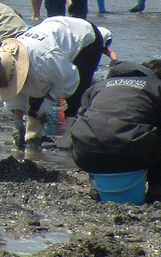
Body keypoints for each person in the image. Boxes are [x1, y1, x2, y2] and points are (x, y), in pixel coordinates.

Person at [0, 16, 114, 147]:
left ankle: (70, 134)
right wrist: (17, 124)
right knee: (35, 85)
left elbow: (71, 79)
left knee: (76, 91)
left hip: (84, 37)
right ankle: (33, 133)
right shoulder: (5, 59)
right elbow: (14, 91)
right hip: (52, 30)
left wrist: (50, 100)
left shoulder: (45, 60)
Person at [69, 58, 161, 203]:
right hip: (132, 155)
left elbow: (80, 119)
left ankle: (96, 185)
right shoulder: (156, 87)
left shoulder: (99, 86)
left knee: (90, 129)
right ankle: (157, 190)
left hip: (85, 155)